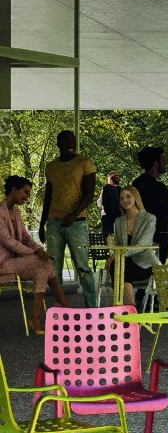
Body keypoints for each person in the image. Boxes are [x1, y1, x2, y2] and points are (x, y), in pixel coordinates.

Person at [2, 174, 70, 330]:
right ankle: (65, 304)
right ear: (14, 189)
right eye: (25, 192)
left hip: (18, 262)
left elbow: (26, 237)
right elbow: (8, 241)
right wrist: (34, 254)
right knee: (43, 262)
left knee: (42, 269)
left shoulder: (16, 213)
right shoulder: (0, 212)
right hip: (4, 263)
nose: (27, 197)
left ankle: (35, 317)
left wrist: (39, 249)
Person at [40, 130, 97, 306]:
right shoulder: (51, 167)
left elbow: (89, 193)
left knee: (82, 266)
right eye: (66, 141)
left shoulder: (84, 163)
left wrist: (74, 214)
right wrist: (43, 223)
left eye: (73, 140)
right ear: (58, 144)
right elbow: (48, 196)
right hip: (54, 222)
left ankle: (91, 307)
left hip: (77, 222)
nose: (70, 144)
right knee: (54, 268)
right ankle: (61, 306)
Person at [109, 184, 159, 308]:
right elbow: (117, 245)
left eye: (128, 196)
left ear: (136, 197)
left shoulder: (149, 218)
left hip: (144, 265)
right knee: (118, 265)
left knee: (119, 264)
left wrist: (117, 256)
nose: (125, 200)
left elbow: (142, 245)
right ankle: (131, 305)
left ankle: (121, 305)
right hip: (124, 265)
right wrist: (114, 257)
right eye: (121, 198)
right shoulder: (119, 222)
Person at [133, 146, 168, 259]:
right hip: (159, 234)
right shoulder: (159, 187)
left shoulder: (136, 184)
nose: (165, 163)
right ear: (156, 164)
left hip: (140, 234)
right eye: (163, 160)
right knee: (158, 271)